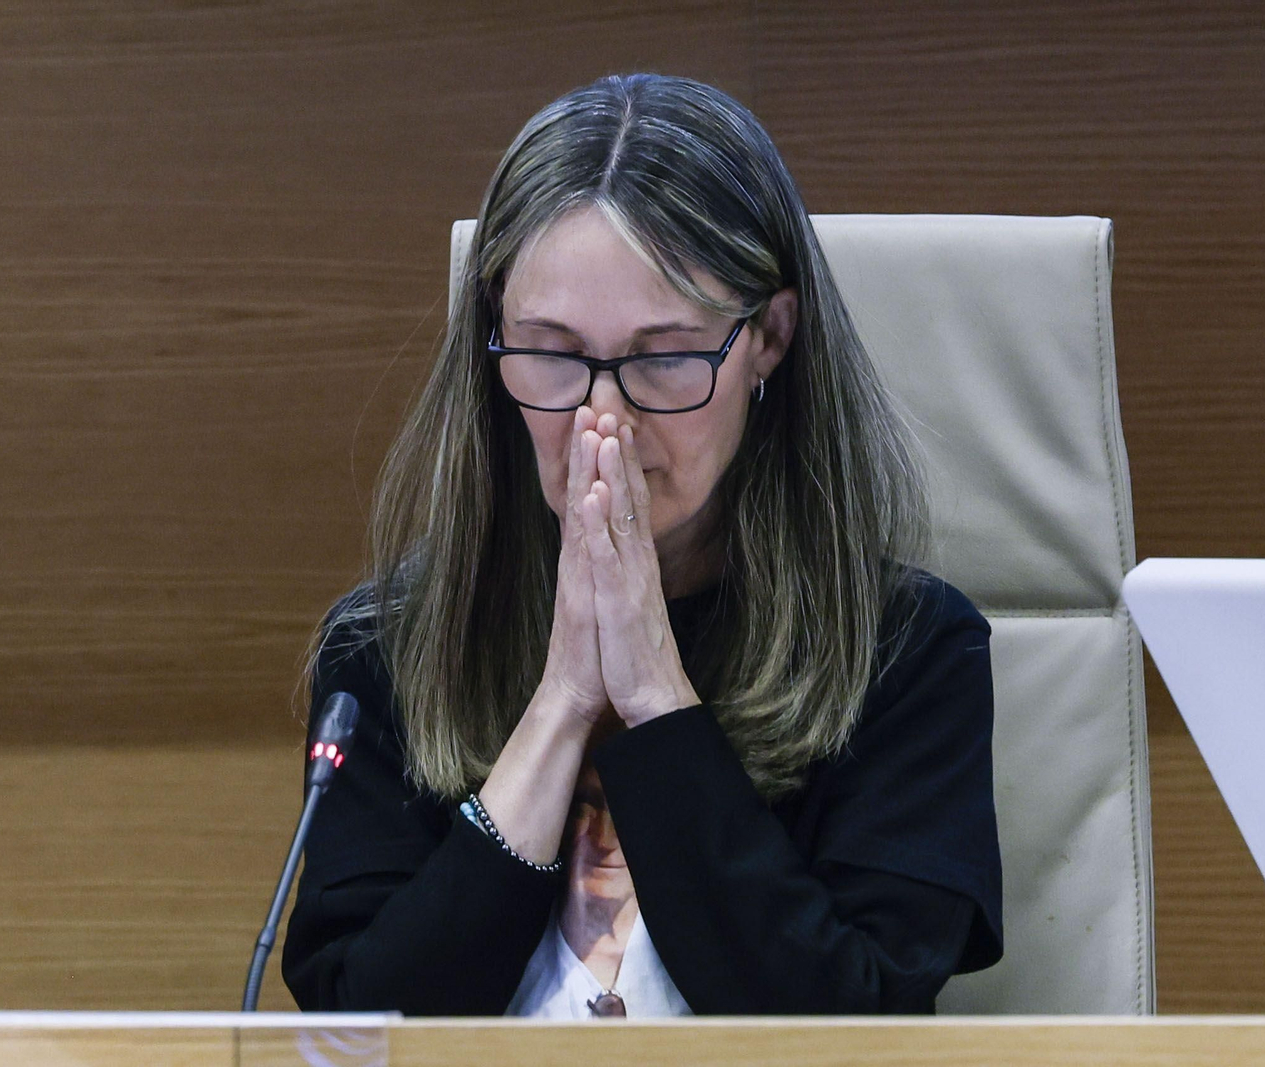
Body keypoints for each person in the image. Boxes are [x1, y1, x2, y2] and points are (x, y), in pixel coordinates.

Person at [281, 72, 1002, 1017]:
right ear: (496, 334)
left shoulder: (908, 652)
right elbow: (365, 1031)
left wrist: (654, 691)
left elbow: (846, 1026)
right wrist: (566, 702)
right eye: (553, 351)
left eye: (663, 357)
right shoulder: (384, 649)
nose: (602, 417)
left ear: (769, 340)